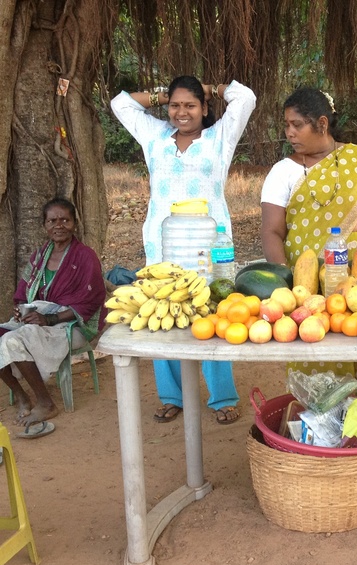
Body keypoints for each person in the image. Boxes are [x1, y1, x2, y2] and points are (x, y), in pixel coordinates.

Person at [111, 76, 256, 425]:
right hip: (162, 242)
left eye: (190, 105)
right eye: (175, 105)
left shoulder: (219, 137)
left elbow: (245, 97)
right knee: (163, 315)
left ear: (204, 109)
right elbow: (121, 104)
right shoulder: (154, 136)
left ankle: (222, 397)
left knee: (212, 314)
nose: (181, 112)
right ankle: (172, 395)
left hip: (210, 242)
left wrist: (211, 89)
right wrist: (162, 96)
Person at [261, 87, 357, 407]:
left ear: (322, 124)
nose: (289, 133)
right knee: (315, 356)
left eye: (297, 125)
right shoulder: (282, 172)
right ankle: (318, 435)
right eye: (286, 125)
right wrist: (285, 281)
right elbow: (271, 231)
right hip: (308, 288)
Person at [0, 198, 106, 433]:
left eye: (65, 220)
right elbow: (23, 293)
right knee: (6, 335)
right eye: (53, 221)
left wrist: (50, 319)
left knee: (12, 340)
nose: (59, 226)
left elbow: (91, 299)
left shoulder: (85, 256)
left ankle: (46, 402)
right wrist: (21, 310)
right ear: (44, 225)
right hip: (39, 322)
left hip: (73, 325)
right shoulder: (39, 257)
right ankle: (22, 395)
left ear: (74, 224)